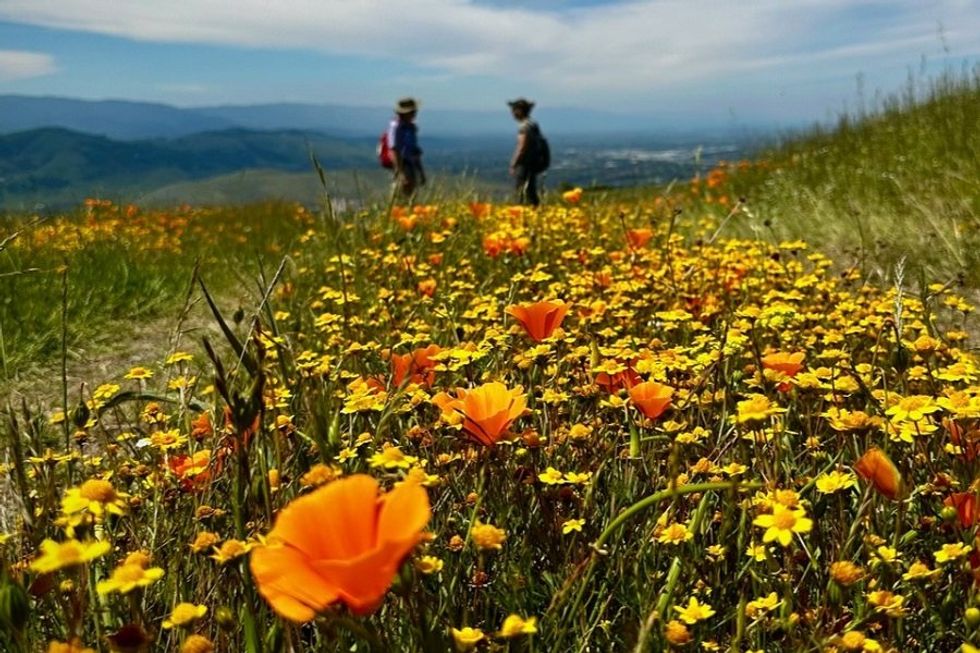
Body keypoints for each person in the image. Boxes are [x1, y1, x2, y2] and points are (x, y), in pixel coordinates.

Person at [508, 98, 543, 206]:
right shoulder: (533, 124)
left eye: (514, 110)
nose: (512, 113)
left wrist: (513, 163)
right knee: (530, 190)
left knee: (521, 190)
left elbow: (521, 147)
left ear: (519, 111)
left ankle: (521, 211)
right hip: (534, 162)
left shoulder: (524, 126)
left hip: (525, 164)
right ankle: (535, 210)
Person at [388, 97, 425, 199]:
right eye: (413, 111)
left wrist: (420, 171)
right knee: (401, 195)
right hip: (402, 165)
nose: (415, 113)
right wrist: (400, 173)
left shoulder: (411, 127)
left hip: (411, 165)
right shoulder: (396, 127)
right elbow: (394, 150)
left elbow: (414, 150)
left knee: (411, 196)